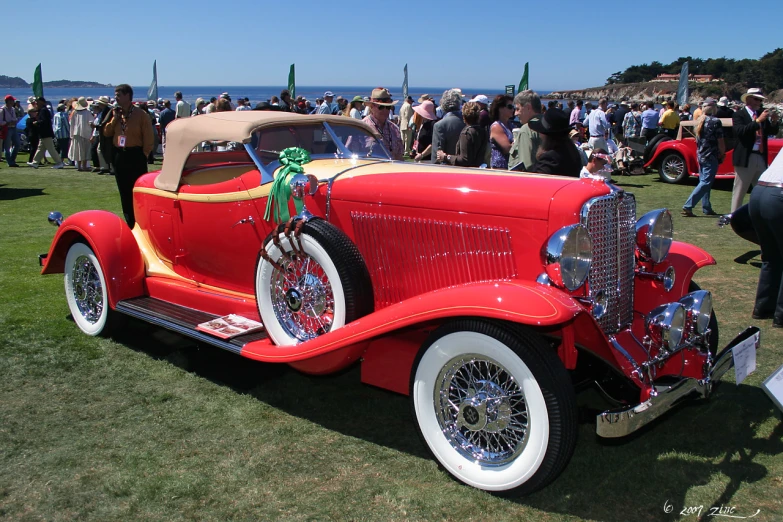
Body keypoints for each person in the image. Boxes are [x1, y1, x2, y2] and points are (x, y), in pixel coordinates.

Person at [103, 84, 154, 228]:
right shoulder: (115, 113)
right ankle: (130, 223)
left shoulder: (141, 115)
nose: (116, 98)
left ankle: (142, 222)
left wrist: (143, 155)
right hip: (120, 155)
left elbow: (149, 139)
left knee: (137, 191)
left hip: (136, 156)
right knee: (124, 192)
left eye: (118, 95)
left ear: (127, 96)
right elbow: (106, 132)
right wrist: (114, 119)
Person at [731, 88, 780, 212]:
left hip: (760, 155)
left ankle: (759, 216)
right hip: (746, 157)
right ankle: (734, 217)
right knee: (740, 190)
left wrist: (774, 121)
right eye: (757, 99)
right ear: (748, 99)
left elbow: (771, 132)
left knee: (762, 190)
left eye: (760, 100)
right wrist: (758, 121)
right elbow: (740, 132)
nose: (759, 102)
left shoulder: (760, 114)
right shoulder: (739, 114)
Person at [749, 151, 783, 327]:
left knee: (771, 257)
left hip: (759, 192)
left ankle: (763, 308)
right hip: (778, 196)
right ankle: (781, 316)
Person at [681, 98, 725, 217]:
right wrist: (723, 152)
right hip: (711, 154)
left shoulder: (700, 120)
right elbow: (720, 140)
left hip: (701, 154)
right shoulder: (716, 121)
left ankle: (706, 207)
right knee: (706, 182)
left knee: (704, 181)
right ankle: (688, 205)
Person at [526, 109, 582, 177]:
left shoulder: (550, 158)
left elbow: (536, 181)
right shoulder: (572, 151)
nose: (539, 134)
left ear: (545, 134)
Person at [436, 102, 487, 167]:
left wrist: (445, 157)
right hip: (479, 168)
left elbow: (464, 160)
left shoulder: (466, 134)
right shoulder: (482, 131)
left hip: (467, 172)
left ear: (464, 117)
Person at [362, 87, 404, 161]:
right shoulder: (362, 127)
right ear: (372, 107)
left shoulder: (394, 129)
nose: (385, 110)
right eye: (381, 107)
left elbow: (400, 156)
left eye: (388, 107)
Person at [509, 90, 542, 170]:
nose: (515, 114)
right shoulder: (547, 124)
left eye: (518, 109)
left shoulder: (527, 129)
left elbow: (527, 165)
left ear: (528, 108)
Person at [431, 89, 465, 163]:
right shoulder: (467, 122)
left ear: (443, 104)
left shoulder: (439, 125)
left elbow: (436, 157)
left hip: (447, 168)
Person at [28, 97, 64, 169]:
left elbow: (45, 121)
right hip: (43, 133)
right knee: (40, 148)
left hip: (46, 133)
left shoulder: (44, 110)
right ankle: (35, 162)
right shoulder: (42, 110)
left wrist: (37, 122)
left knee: (51, 149)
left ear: (42, 102)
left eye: (37, 101)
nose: (36, 103)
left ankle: (59, 162)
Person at [488, 94, 514, 169]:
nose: (512, 110)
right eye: (510, 107)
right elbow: (507, 148)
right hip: (500, 168)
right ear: (500, 108)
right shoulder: (496, 127)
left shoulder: (511, 125)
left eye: (513, 107)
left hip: (509, 167)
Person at [69, 97, 93, 171]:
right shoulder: (87, 112)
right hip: (85, 134)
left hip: (76, 133)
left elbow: (71, 123)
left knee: (78, 151)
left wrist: (71, 134)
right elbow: (91, 122)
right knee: (85, 151)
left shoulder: (74, 112)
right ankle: (84, 166)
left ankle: (79, 166)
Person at [1, 95, 20, 167]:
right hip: (7, 128)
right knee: (7, 146)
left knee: (17, 144)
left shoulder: (12, 109)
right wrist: (7, 123)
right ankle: (10, 162)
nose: (13, 102)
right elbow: (1, 121)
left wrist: (15, 121)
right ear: (8, 101)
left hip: (13, 128)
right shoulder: (2, 110)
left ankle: (12, 159)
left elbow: (14, 118)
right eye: (12, 101)